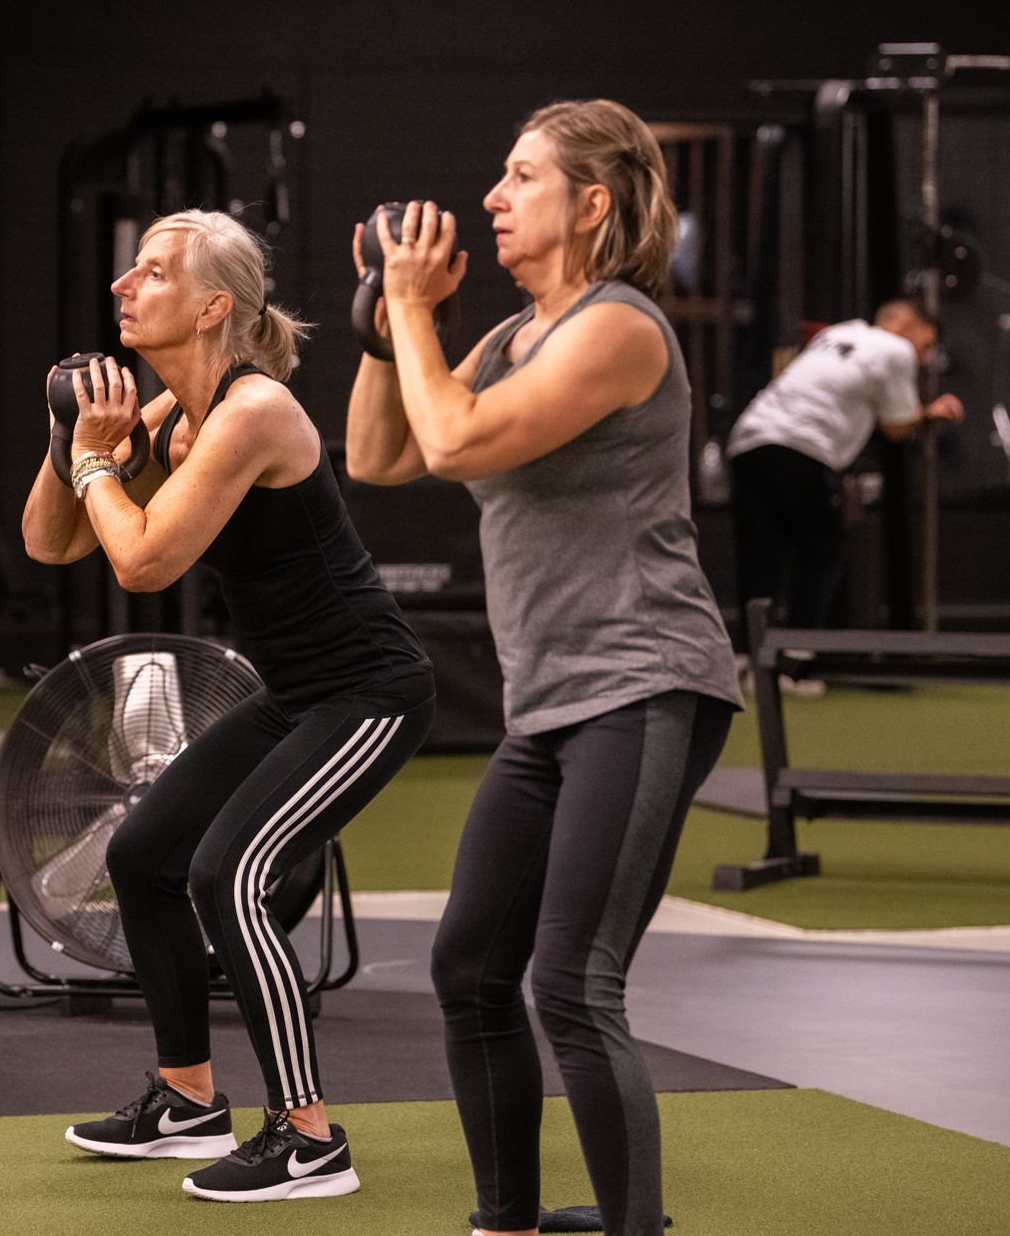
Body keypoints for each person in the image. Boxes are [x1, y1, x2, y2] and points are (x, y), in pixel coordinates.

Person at [343, 100, 742, 1236]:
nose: (493, 198)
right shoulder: (514, 337)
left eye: (522, 177)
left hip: (645, 682)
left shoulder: (620, 330)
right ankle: (505, 1222)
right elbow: (378, 454)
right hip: (549, 705)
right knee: (470, 968)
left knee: (571, 981)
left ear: (592, 202)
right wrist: (387, 326)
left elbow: (457, 441)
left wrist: (413, 308)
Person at [22, 208, 436, 1203]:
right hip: (294, 694)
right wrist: (67, 436)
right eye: (130, 270)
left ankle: (309, 1139)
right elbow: (52, 542)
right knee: (144, 854)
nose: (123, 286)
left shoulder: (255, 410)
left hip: (369, 692)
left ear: (213, 307)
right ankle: (186, 1098)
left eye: (153, 272)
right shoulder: (173, 415)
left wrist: (97, 461)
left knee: (231, 872)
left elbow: (142, 559)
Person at [726, 301, 964, 631]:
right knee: (823, 552)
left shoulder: (839, 333)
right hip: (801, 445)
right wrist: (931, 412)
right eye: (927, 345)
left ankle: (755, 651)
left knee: (762, 555)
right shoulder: (895, 349)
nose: (926, 358)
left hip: (748, 440)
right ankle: (798, 650)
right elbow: (896, 428)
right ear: (909, 325)